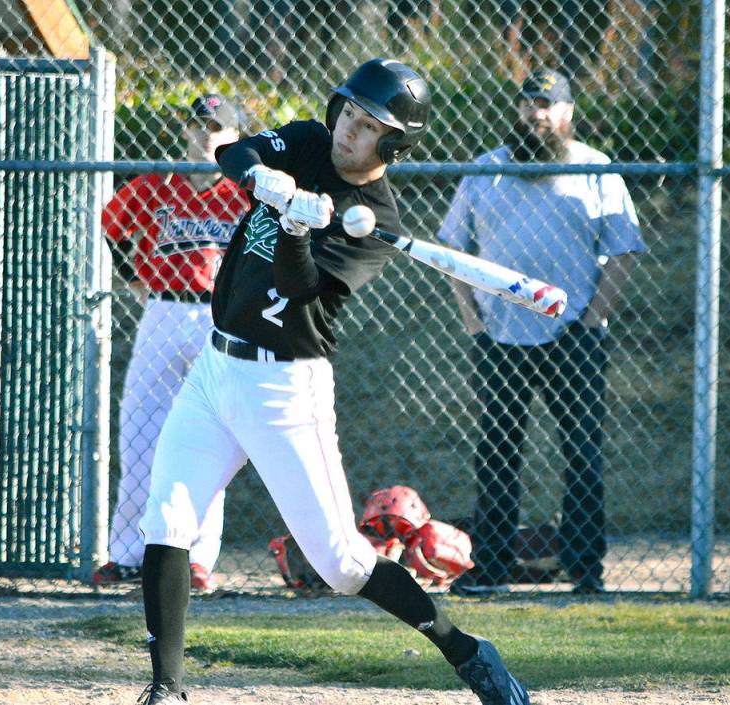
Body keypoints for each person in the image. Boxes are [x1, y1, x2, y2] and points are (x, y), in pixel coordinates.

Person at [134, 58, 532, 705]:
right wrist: (268, 180)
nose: (350, 130)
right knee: (167, 519)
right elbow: (238, 152)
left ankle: (466, 650)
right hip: (216, 370)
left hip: (285, 389)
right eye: (349, 113)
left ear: (394, 143)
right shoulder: (312, 144)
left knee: (343, 562)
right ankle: (166, 690)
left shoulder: (375, 224)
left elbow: (298, 289)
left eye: (370, 125)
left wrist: (295, 226)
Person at [438, 70, 645, 596]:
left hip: (574, 336)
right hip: (501, 337)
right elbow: (452, 253)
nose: (536, 114)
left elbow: (623, 250)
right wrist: (473, 320)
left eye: (547, 105)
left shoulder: (597, 168)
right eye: (528, 104)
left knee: (582, 452)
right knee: (498, 451)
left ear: (568, 112)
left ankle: (585, 571)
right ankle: (492, 569)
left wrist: (593, 319)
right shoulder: (488, 170)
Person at [93, 93, 251, 592]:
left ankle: (197, 557)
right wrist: (134, 277)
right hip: (161, 308)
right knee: (139, 427)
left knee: (214, 435)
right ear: (186, 132)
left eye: (218, 128)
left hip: (218, 318)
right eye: (199, 126)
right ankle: (126, 553)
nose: (207, 135)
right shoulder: (156, 185)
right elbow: (111, 228)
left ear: (234, 138)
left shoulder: (246, 192)